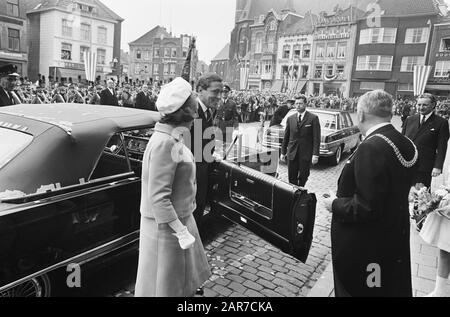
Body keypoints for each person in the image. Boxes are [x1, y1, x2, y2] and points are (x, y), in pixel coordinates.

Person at [324, 90, 419, 297]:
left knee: (364, 292)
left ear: (361, 114)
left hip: (366, 246)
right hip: (392, 235)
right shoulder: (404, 142)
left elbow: (366, 207)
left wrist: (334, 204)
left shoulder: (372, 146)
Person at [135, 77, 211, 297]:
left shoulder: (170, 137)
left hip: (176, 224)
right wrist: (181, 231)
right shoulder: (165, 143)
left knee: (180, 286)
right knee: (166, 288)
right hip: (168, 231)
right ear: (184, 112)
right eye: (194, 110)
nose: (196, 115)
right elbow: (159, 197)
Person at [190, 73, 223, 227]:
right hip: (191, 179)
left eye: (221, 92)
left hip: (203, 172)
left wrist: (211, 154)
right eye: (215, 92)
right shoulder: (191, 113)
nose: (219, 96)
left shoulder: (209, 111)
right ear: (200, 90)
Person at [402, 93, 450, 188]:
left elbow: (442, 147)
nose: (421, 107)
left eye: (425, 105)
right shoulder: (410, 120)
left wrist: (438, 166)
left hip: (424, 167)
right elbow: (402, 141)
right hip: (407, 164)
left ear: (433, 105)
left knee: (420, 195)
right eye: (419, 104)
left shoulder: (441, 122)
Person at [280, 95, 320, 187]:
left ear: (305, 104)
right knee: (291, 177)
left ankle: (300, 191)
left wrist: (315, 154)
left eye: (300, 103)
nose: (298, 106)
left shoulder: (313, 118)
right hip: (292, 153)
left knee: (304, 176)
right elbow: (286, 137)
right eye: (296, 104)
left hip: (305, 154)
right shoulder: (290, 118)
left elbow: (316, 138)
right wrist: (283, 152)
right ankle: (293, 195)